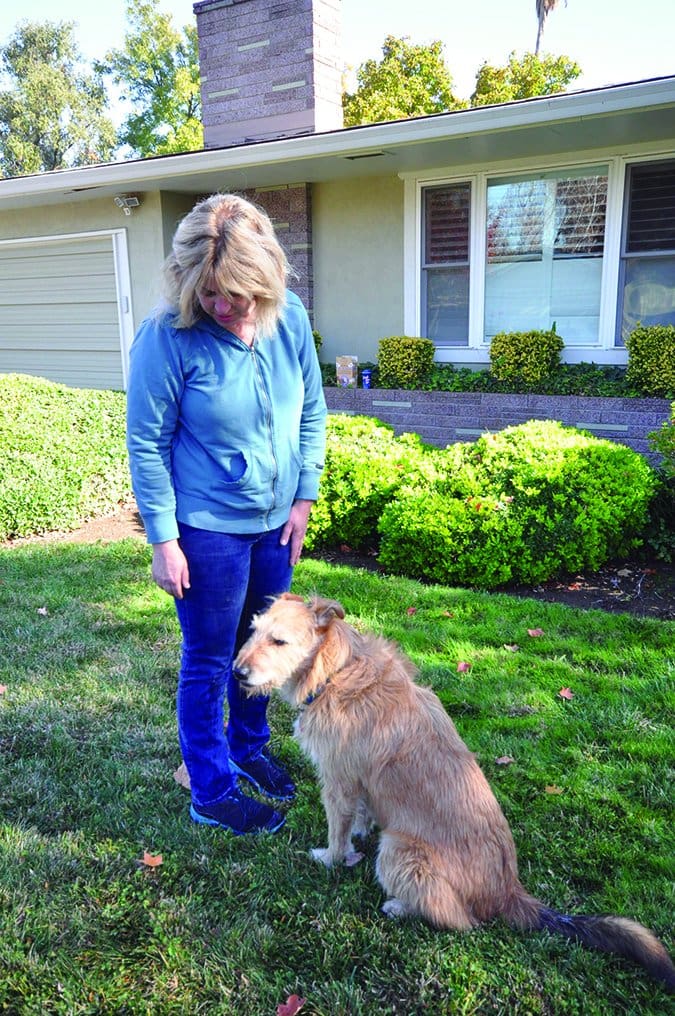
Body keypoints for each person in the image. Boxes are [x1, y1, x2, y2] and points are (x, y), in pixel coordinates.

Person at [126, 193, 327, 835]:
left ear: (265, 282)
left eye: (239, 293)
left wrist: (302, 499)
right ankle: (210, 788)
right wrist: (164, 539)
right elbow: (147, 443)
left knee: (260, 650)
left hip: (276, 527)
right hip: (207, 531)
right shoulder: (167, 338)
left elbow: (313, 413)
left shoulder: (289, 318)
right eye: (211, 292)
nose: (224, 307)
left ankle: (248, 747)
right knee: (211, 658)